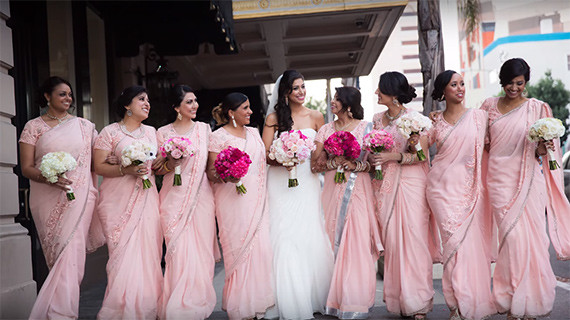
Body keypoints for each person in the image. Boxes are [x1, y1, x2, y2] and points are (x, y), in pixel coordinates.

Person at [480, 58, 570, 320]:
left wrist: (541, 148)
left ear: (526, 82)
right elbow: (482, 142)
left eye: (519, 83)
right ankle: (508, 297)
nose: (514, 88)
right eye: (509, 82)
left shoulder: (538, 108)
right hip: (498, 179)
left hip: (529, 181)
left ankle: (526, 301)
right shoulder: (488, 106)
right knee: (509, 240)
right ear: (502, 81)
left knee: (529, 240)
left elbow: (547, 150)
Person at [19, 76, 98, 319]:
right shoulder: (34, 127)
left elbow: (96, 161)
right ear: (47, 97)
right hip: (46, 197)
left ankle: (62, 313)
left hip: (79, 197)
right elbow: (27, 167)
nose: (68, 98)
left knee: (72, 254)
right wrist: (49, 177)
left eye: (70, 94)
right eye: (62, 94)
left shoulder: (85, 127)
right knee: (57, 255)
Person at [262, 70, 334, 320]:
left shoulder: (316, 116)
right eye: (296, 88)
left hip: (307, 182)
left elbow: (320, 156)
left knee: (309, 231)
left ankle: (313, 295)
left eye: (303, 87)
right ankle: (288, 300)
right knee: (283, 234)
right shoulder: (273, 118)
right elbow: (266, 155)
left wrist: (321, 160)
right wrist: (284, 159)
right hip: (281, 182)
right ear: (285, 93)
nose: (302, 92)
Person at [369, 71, 441, 320]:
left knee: (414, 242)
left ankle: (418, 302)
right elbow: (373, 152)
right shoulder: (377, 120)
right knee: (394, 245)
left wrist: (393, 156)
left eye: (380, 90)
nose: (376, 93)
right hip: (385, 186)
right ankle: (401, 300)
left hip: (412, 186)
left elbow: (420, 156)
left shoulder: (416, 120)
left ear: (393, 94)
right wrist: (374, 158)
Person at [426, 70, 496, 320]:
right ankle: (456, 303)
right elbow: (420, 153)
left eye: (462, 84)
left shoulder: (480, 117)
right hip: (441, 191)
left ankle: (468, 301)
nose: (460, 88)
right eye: (454, 84)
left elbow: (493, 148)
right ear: (443, 91)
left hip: (471, 190)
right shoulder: (434, 122)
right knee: (453, 247)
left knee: (468, 248)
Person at [93, 86, 163, 319]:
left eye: (148, 100)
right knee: (122, 256)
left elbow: (159, 165)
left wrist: (174, 159)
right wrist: (125, 169)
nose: (147, 103)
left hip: (147, 200)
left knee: (148, 254)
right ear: (126, 105)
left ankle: (145, 309)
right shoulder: (109, 132)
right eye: (141, 99)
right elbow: (99, 166)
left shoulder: (152, 132)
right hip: (116, 202)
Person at [311, 86, 382, 319]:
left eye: (337, 100)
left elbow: (373, 165)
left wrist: (355, 165)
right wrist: (336, 161)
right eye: (333, 99)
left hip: (358, 189)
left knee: (357, 240)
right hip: (332, 188)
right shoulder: (325, 129)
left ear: (349, 105)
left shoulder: (367, 128)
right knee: (332, 237)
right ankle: (333, 299)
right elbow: (316, 165)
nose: (332, 103)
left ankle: (355, 299)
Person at [206, 92, 274, 320]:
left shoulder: (254, 133)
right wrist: (228, 176)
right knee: (238, 249)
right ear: (231, 113)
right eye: (245, 108)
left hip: (257, 198)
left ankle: (258, 302)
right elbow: (212, 173)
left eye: (249, 107)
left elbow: (263, 162)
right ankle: (240, 306)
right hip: (231, 201)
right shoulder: (217, 137)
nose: (250, 112)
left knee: (261, 249)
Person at [154, 85, 218, 319]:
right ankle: (179, 306)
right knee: (177, 250)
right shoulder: (162, 133)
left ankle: (198, 302)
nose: (195, 106)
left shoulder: (204, 130)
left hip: (201, 199)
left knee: (201, 251)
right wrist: (172, 161)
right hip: (172, 199)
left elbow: (211, 166)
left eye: (195, 101)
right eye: (189, 102)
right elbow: (157, 170)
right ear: (176, 107)